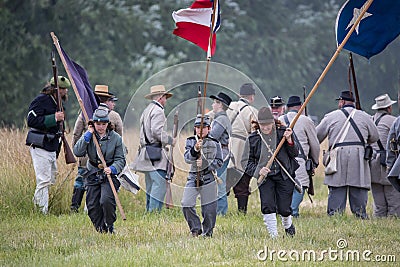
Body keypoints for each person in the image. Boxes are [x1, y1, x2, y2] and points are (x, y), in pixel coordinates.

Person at [316, 91, 379, 219]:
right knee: (359, 188)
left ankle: (335, 218)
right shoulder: (365, 116)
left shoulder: (331, 116)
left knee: (337, 189)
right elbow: (375, 137)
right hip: (359, 156)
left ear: (342, 102)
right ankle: (360, 217)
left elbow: (317, 136)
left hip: (337, 156)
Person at [242, 107, 299, 238]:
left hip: (284, 175)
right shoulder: (252, 139)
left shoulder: (284, 133)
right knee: (268, 205)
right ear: (258, 124)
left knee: (284, 208)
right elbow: (245, 162)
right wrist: (258, 171)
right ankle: (274, 236)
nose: (266, 127)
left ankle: (287, 224)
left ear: (273, 122)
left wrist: (290, 141)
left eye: (268, 124)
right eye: (263, 125)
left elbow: (295, 153)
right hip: (265, 178)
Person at [70, 84, 123, 212]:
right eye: (111, 100)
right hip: (107, 160)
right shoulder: (114, 116)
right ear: (105, 100)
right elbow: (119, 138)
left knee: (81, 181)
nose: (113, 104)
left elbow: (76, 134)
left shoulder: (84, 114)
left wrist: (79, 151)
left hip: (86, 157)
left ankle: (75, 207)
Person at [73, 107, 126, 233]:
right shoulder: (90, 136)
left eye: (103, 124)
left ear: (108, 124)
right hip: (92, 173)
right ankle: (101, 229)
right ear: (93, 124)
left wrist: (113, 168)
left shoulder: (116, 138)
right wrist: (88, 134)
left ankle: (109, 225)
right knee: (92, 205)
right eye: (98, 124)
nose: (100, 127)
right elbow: (77, 151)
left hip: (108, 174)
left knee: (106, 200)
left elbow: (121, 159)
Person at [26, 75, 71, 214]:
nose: (65, 92)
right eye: (63, 89)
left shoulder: (57, 103)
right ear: (55, 88)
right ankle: (40, 212)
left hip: (52, 145)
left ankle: (40, 207)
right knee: (43, 180)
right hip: (41, 144)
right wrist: (54, 118)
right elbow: (31, 120)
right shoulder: (41, 100)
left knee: (51, 178)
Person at [131, 85, 175, 212]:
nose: (166, 100)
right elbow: (157, 132)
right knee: (159, 185)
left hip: (146, 152)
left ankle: (149, 211)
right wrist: (170, 140)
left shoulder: (147, 110)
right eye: (165, 97)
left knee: (150, 185)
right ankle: (153, 213)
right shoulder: (158, 111)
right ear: (160, 97)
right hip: (155, 152)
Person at [181, 114, 223, 237]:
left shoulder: (215, 143)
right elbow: (187, 158)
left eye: (203, 127)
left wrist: (206, 164)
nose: (200, 130)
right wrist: (195, 149)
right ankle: (195, 229)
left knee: (209, 210)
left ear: (209, 129)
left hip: (209, 177)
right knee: (186, 203)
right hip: (193, 176)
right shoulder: (190, 141)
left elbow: (219, 162)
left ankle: (208, 232)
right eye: (198, 127)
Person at [279, 96, 320, 218]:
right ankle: (292, 213)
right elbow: (315, 145)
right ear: (301, 107)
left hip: (283, 161)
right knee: (300, 186)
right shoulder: (306, 120)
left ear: (287, 107)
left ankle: (285, 212)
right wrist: (314, 162)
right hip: (300, 161)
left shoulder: (280, 119)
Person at [226, 83, 258, 213]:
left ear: (239, 95)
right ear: (252, 97)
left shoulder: (227, 107)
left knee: (223, 183)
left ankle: (220, 211)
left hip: (226, 148)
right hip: (242, 150)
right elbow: (255, 134)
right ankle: (241, 212)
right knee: (242, 184)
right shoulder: (252, 111)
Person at [370, 94, 400, 217]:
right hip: (387, 163)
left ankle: (379, 223)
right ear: (389, 107)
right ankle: (392, 221)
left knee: (379, 203)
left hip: (372, 163)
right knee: (394, 200)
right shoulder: (393, 120)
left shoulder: (370, 120)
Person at [209, 92, 232, 215]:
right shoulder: (220, 118)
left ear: (220, 105)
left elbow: (213, 136)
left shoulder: (222, 118)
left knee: (220, 185)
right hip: (220, 153)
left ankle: (221, 212)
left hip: (221, 154)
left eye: (215, 102)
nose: (213, 105)